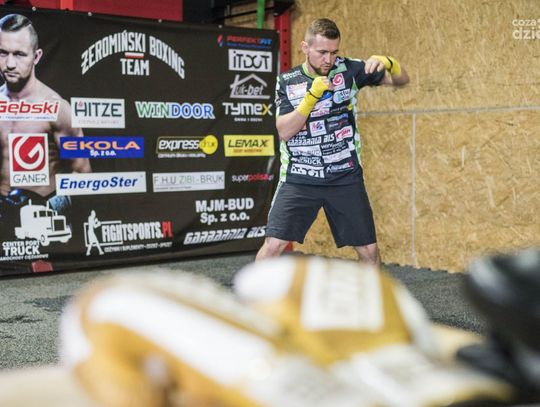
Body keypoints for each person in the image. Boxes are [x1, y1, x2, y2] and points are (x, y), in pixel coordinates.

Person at [256, 18, 409, 265]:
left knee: (369, 251)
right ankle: (253, 291)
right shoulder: (288, 80)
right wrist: (311, 97)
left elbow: (401, 80)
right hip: (299, 176)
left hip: (344, 176)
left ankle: (371, 292)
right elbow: (284, 131)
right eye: (322, 52)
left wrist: (390, 63)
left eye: (334, 52)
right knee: (273, 246)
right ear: (305, 48)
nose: (328, 59)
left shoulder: (349, 70)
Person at [0, 13, 90, 235]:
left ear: (36, 56)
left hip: (40, 221)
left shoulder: (57, 108)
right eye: (3, 53)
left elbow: (82, 173)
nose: (9, 64)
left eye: (19, 54)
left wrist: (50, 207)